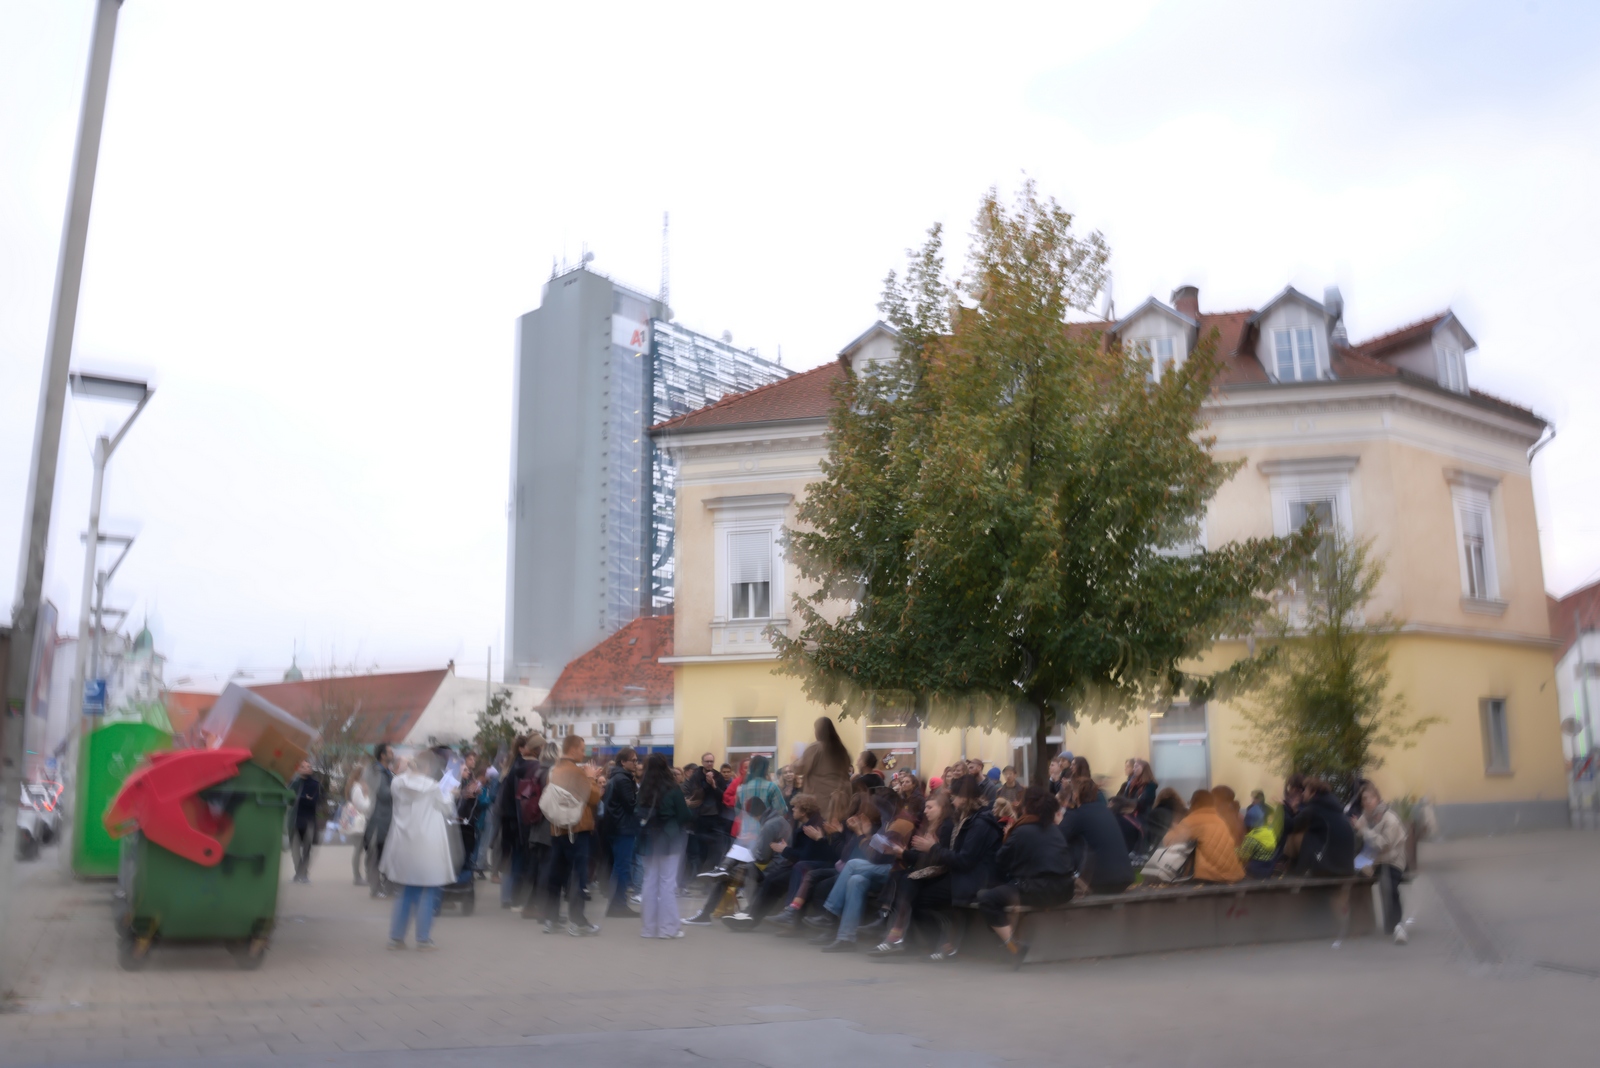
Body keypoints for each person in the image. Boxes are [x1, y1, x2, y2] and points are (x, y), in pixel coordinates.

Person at [977, 786, 1076, 965]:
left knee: (986, 898)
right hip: (1065, 890)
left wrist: (1008, 838)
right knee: (1006, 892)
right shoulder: (1055, 830)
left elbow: (1001, 859)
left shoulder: (1022, 830)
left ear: (1026, 808)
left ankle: (1013, 946)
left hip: (1038, 890)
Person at [917, 775, 1002, 960]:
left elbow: (964, 860)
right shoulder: (966, 818)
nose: (953, 802)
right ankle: (941, 942)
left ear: (964, 798)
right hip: (966, 874)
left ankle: (948, 942)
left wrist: (934, 848)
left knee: (923, 897)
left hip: (978, 879)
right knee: (915, 889)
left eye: (955, 797)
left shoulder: (979, 823)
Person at [381, 751, 457, 950]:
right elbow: (447, 809)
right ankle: (423, 938)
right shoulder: (433, 787)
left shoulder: (397, 783)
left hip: (403, 842)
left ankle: (396, 937)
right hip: (427, 846)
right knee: (428, 890)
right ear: (428, 768)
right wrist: (450, 792)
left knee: (405, 889)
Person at [541, 733, 603, 935]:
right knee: (578, 875)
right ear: (574, 749)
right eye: (582, 749)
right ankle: (578, 922)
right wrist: (592, 778)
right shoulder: (576, 772)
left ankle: (551, 919)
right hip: (577, 828)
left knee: (556, 875)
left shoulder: (553, 770)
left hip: (557, 828)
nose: (584, 753)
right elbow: (593, 797)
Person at [636, 753, 692, 938]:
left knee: (649, 881)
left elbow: (636, 812)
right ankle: (667, 929)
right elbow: (684, 815)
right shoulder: (673, 789)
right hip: (669, 838)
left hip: (648, 839)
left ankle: (648, 928)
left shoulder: (643, 789)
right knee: (667, 883)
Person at [1055, 760, 1133, 894]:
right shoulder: (1105, 811)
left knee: (1070, 841)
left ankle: (1070, 878)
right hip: (1125, 878)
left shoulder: (1077, 815)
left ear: (1076, 795)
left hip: (1100, 881)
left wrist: (1059, 821)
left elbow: (1056, 840)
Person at [1353, 782, 1409, 943]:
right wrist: (1356, 830)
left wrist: (1363, 830)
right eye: (1363, 800)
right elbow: (1359, 840)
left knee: (1389, 882)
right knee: (1353, 877)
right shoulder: (1366, 817)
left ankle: (1397, 925)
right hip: (1374, 861)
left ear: (1377, 798)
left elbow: (1383, 844)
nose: (1366, 802)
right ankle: (1360, 924)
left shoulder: (1390, 819)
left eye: (1369, 799)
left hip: (1393, 860)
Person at [497, 734, 545, 909]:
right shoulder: (528, 768)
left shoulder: (514, 766)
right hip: (517, 822)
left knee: (511, 860)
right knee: (518, 860)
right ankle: (514, 898)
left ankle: (508, 897)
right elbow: (521, 800)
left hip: (509, 820)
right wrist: (523, 824)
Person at [1162, 790, 1244, 883]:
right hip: (1233, 874)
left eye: (1190, 803)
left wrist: (1173, 827)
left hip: (1212, 876)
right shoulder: (1219, 819)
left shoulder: (1193, 820)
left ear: (1195, 804)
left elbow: (1168, 841)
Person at [1288, 778, 1356, 878]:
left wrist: (1287, 809)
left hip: (1327, 869)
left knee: (1297, 836)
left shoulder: (1314, 808)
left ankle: (1294, 872)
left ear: (1313, 792)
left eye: (1305, 790)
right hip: (1346, 868)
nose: (1303, 793)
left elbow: (1290, 825)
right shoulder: (1334, 809)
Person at [602, 747, 641, 918]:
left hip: (617, 826)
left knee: (619, 867)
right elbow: (632, 805)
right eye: (633, 760)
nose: (636, 763)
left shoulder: (617, 777)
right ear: (623, 762)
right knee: (622, 868)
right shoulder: (623, 779)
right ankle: (618, 905)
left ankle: (616, 904)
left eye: (636, 760)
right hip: (623, 827)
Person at [795, 717, 853, 825]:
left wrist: (795, 761)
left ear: (818, 731)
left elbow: (799, 768)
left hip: (819, 801)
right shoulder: (842, 750)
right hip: (839, 801)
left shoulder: (816, 748)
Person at [684, 752, 729, 878]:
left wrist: (714, 785)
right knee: (701, 849)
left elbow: (723, 796)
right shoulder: (696, 776)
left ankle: (710, 875)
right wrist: (706, 784)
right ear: (702, 762)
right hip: (700, 817)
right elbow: (695, 794)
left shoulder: (718, 776)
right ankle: (698, 876)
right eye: (707, 761)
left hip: (715, 817)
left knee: (716, 849)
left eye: (711, 761)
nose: (709, 764)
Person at [366, 744, 396, 898]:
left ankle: (385, 886)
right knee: (378, 854)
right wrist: (399, 786)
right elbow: (384, 793)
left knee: (384, 853)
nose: (393, 754)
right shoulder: (377, 772)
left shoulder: (386, 772)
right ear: (383, 755)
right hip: (379, 819)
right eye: (390, 752)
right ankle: (376, 888)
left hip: (386, 818)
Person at [288, 761, 321, 884]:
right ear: (298, 769)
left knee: (307, 849)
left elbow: (313, 802)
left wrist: (300, 798)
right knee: (295, 849)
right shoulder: (294, 783)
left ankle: (304, 874)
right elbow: (289, 799)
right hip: (295, 820)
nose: (307, 768)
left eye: (309, 766)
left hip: (308, 820)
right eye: (303, 767)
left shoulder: (315, 784)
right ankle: (298, 873)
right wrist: (303, 797)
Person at [344, 763, 373, 885]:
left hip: (363, 823)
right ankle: (357, 877)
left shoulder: (361, 787)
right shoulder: (357, 788)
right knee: (359, 849)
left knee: (363, 850)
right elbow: (362, 807)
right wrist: (368, 796)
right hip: (360, 824)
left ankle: (364, 875)